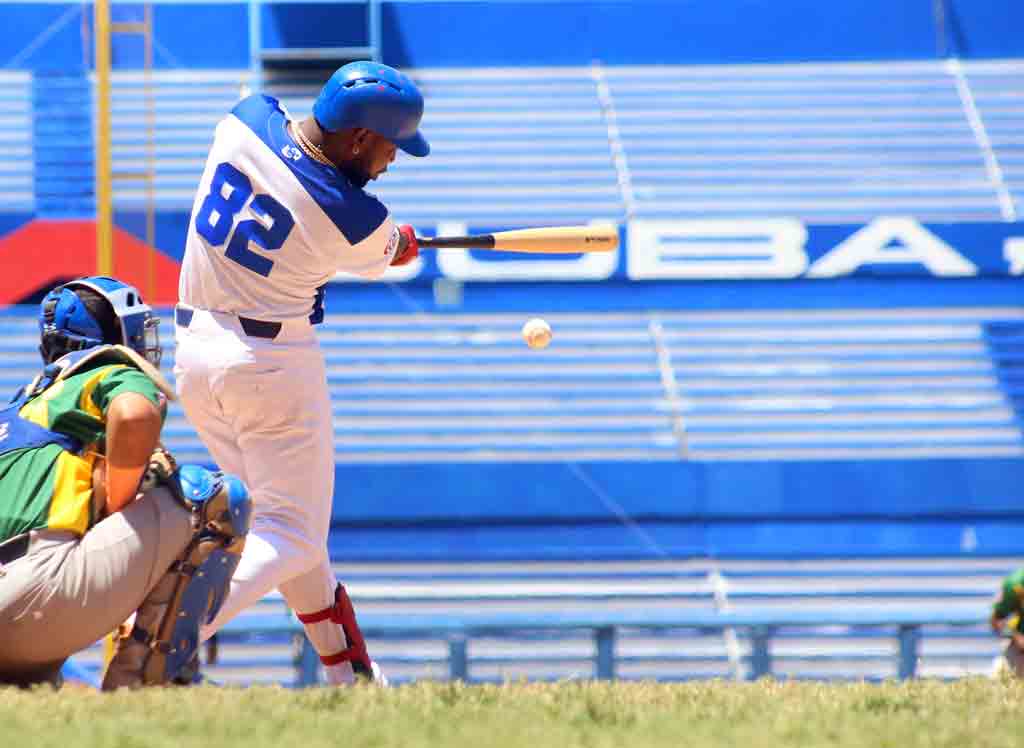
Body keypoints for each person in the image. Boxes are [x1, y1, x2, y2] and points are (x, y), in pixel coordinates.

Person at [173, 60, 427, 686]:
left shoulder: (244, 119)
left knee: (287, 531)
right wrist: (399, 242)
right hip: (269, 368)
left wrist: (391, 240)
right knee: (292, 533)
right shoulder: (353, 216)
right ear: (360, 138)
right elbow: (383, 249)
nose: (392, 161)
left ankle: (351, 677)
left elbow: (299, 165)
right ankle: (165, 633)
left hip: (194, 354)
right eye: (390, 146)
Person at [0, 276, 252, 689]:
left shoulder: (15, 411)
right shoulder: (107, 368)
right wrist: (121, 500)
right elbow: (134, 414)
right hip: (36, 599)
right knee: (213, 499)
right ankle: (144, 685)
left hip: (19, 615)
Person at [990, 567, 1024, 677]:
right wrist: (1016, 637)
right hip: (1019, 649)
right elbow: (996, 620)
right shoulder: (1015, 584)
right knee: (1000, 676)